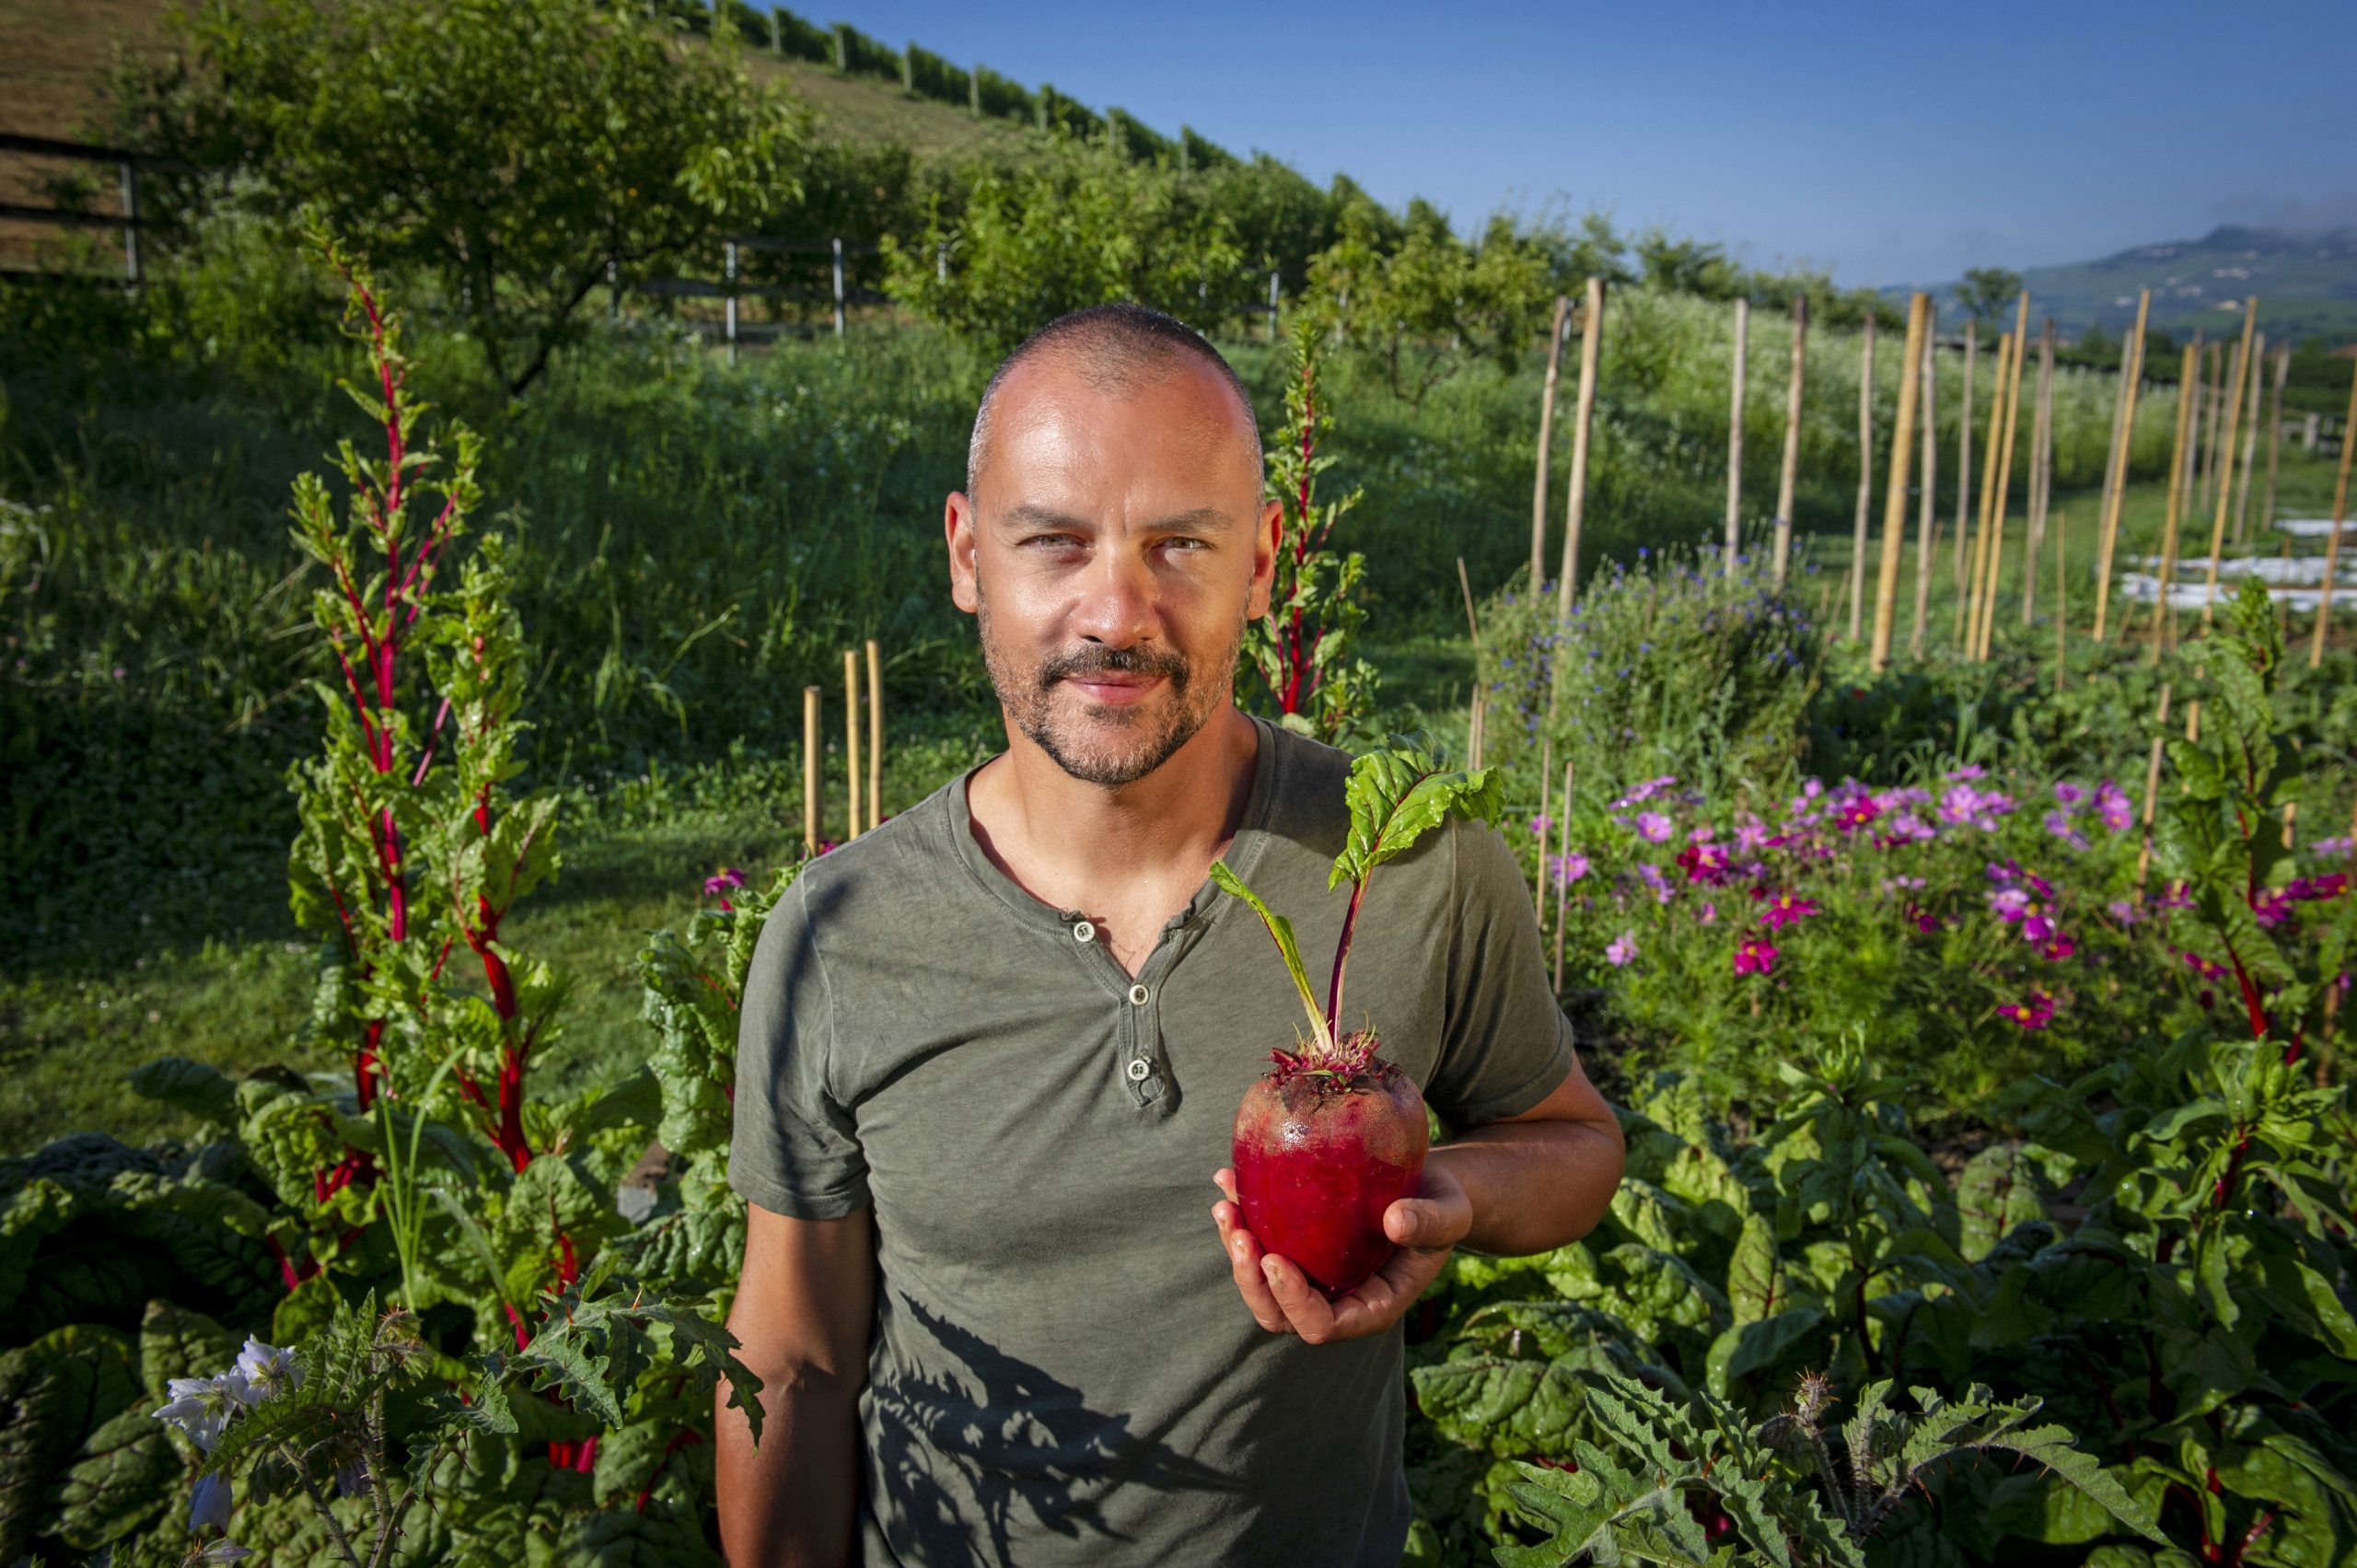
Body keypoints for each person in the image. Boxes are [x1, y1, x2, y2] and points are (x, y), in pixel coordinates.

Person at [714, 302, 1625, 1566]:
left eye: (1181, 545)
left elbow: (1575, 1143)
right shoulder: (841, 933)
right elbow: (793, 1362)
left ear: (1262, 563)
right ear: (968, 555)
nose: (1117, 612)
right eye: (1055, 542)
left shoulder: (1415, 869)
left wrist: (1451, 1198)